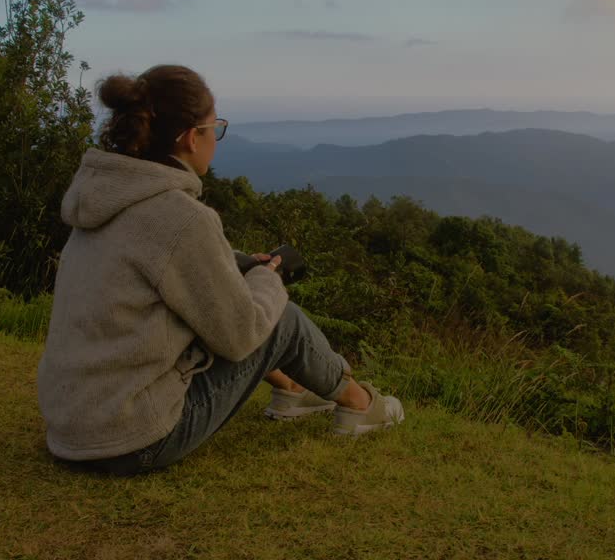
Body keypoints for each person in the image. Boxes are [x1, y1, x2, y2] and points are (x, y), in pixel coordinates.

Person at [37, 64, 404, 475]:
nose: (217, 139)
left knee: (230, 301)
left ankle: (293, 391)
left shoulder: (102, 201)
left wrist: (238, 264)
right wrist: (268, 276)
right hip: (131, 440)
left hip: (69, 429)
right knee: (278, 318)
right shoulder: (182, 217)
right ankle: (361, 406)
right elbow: (241, 333)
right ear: (192, 137)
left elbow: (153, 271)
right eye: (216, 128)